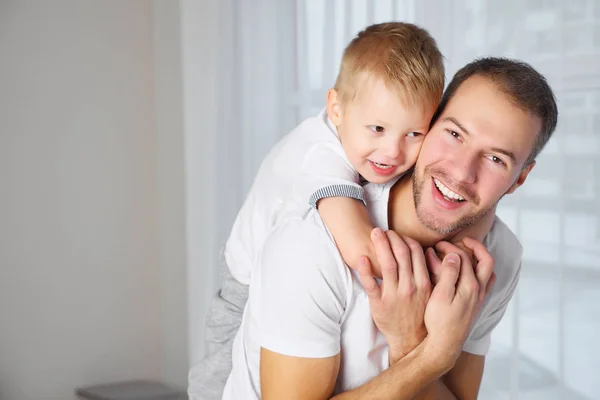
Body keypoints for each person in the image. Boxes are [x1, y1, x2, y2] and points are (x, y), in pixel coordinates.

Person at [189, 56, 558, 399]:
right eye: (454, 134)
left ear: (520, 178)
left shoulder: (498, 259)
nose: (462, 172)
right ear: (427, 125)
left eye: (495, 158)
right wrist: (430, 358)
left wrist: (408, 343)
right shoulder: (315, 241)